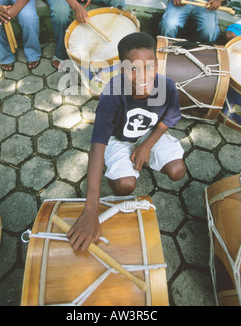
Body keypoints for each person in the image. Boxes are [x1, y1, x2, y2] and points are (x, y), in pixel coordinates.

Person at [66, 32, 186, 251]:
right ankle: (123, 166)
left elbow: (170, 117)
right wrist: (90, 210)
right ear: (122, 69)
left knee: (178, 171)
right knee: (125, 186)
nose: (142, 76)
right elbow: (97, 146)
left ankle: (142, 156)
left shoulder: (167, 87)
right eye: (133, 69)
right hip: (118, 139)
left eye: (149, 67)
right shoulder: (111, 94)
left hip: (147, 134)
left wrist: (146, 145)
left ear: (157, 65)